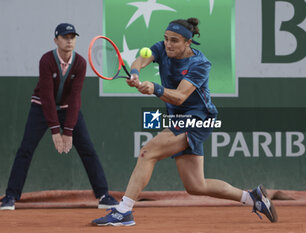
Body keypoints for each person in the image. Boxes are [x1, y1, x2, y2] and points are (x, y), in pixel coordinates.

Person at [91, 18, 278, 226]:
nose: (168, 44)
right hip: (180, 119)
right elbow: (139, 61)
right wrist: (134, 74)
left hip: (199, 118)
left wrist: (155, 88)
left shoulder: (200, 64)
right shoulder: (162, 48)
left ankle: (124, 210)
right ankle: (252, 198)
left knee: (147, 152)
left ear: (187, 43)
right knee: (195, 185)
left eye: (174, 41)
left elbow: (180, 97)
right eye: (166, 39)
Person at [0, 23, 118, 210]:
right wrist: (56, 131)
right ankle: (10, 197)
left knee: (88, 149)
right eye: (65, 37)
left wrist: (68, 131)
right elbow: (46, 97)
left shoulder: (80, 63)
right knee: (25, 149)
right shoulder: (46, 60)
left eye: (72, 37)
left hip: (68, 109)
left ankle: (103, 195)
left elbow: (75, 97)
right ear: (56, 40)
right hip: (41, 108)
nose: (69, 40)